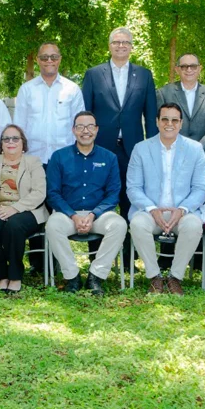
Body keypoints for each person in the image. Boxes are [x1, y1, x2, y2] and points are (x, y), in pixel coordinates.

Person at [125, 103, 205, 295]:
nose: (169, 124)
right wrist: (151, 209)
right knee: (138, 224)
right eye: (164, 119)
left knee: (193, 226)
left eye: (174, 120)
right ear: (157, 122)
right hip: (150, 210)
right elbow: (133, 187)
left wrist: (182, 209)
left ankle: (175, 277)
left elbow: (201, 188)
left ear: (180, 123)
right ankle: (155, 277)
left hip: (183, 211)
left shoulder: (195, 149)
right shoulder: (141, 149)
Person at [45, 111, 125, 296]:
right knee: (53, 225)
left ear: (96, 130)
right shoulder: (59, 157)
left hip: (98, 215)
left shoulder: (109, 158)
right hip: (68, 214)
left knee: (119, 224)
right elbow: (53, 193)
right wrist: (73, 215)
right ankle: (72, 276)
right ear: (73, 130)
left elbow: (113, 194)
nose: (85, 131)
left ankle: (95, 276)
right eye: (80, 126)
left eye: (90, 126)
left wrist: (92, 215)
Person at [82, 27, 158, 207]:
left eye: (125, 42)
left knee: (130, 196)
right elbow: (85, 113)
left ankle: (128, 233)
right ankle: (104, 234)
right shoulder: (93, 74)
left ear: (131, 47)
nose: (121, 46)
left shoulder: (144, 75)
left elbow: (150, 114)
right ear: (109, 46)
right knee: (100, 194)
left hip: (133, 147)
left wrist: (153, 146)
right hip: (101, 146)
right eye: (116, 42)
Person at [0, 125, 48, 293]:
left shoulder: (34, 162)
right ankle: (1, 275)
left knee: (14, 226)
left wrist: (15, 208)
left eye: (15, 138)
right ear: (1, 144)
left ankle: (15, 276)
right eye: (6, 139)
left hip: (27, 210)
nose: (11, 142)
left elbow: (40, 192)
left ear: (23, 142)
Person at [14, 42, 86, 164]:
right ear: (37, 60)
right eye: (44, 57)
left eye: (54, 57)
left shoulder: (72, 89)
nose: (49, 60)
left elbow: (80, 125)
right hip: (33, 159)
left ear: (60, 59)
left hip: (66, 159)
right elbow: (19, 126)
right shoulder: (26, 90)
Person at [157, 52, 205, 157]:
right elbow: (160, 125)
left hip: (202, 155)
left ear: (199, 68)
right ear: (177, 70)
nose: (189, 70)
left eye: (193, 66)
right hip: (171, 155)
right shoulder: (163, 93)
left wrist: (197, 148)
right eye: (184, 66)